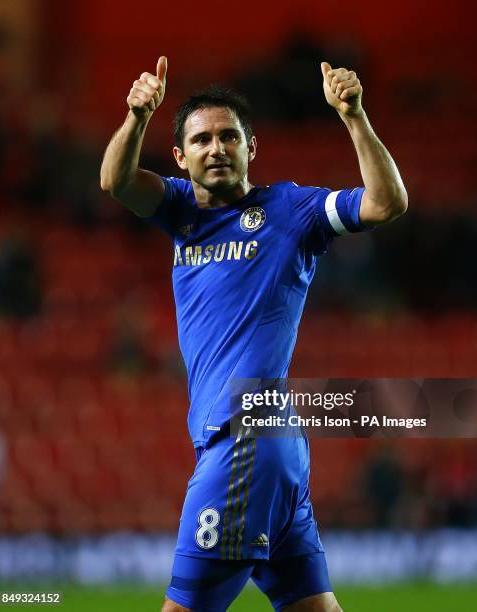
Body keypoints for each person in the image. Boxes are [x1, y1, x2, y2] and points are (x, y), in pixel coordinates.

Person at [101, 56, 407, 612]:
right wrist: (136, 116)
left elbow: (387, 202)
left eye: (227, 136)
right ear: (180, 156)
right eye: (200, 140)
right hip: (265, 445)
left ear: (251, 147)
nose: (215, 148)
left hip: (247, 433)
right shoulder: (179, 209)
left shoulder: (291, 210)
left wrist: (355, 117)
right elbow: (115, 181)